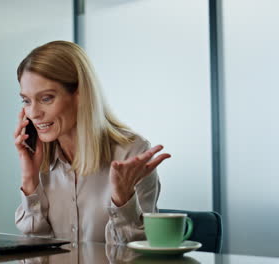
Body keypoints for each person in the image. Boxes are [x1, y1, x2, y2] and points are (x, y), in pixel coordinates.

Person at [13, 40, 171, 244]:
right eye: (26, 101)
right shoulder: (39, 157)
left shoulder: (130, 153)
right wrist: (29, 179)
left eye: (46, 98)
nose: (33, 113)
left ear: (80, 95)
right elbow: (35, 249)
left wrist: (123, 200)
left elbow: (137, 253)